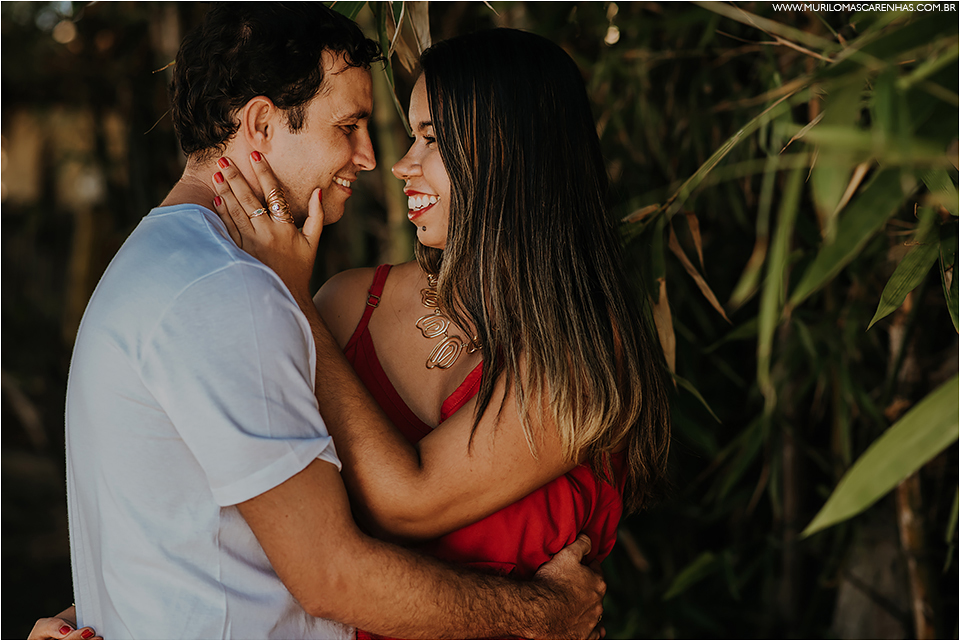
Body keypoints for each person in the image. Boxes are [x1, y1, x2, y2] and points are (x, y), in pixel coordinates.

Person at [32, 6, 605, 640]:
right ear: (260, 124)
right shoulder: (230, 291)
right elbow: (331, 574)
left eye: (429, 138)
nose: (375, 157)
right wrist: (547, 613)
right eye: (349, 125)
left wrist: (94, 614)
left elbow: (186, 529)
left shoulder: (161, 266)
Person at [211, 27, 672, 640]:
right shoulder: (350, 305)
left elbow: (408, 503)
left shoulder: (586, 353)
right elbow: (247, 515)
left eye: (431, 139)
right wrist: (89, 612)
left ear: (513, 153)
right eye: (412, 136)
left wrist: (289, 298)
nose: (401, 164)